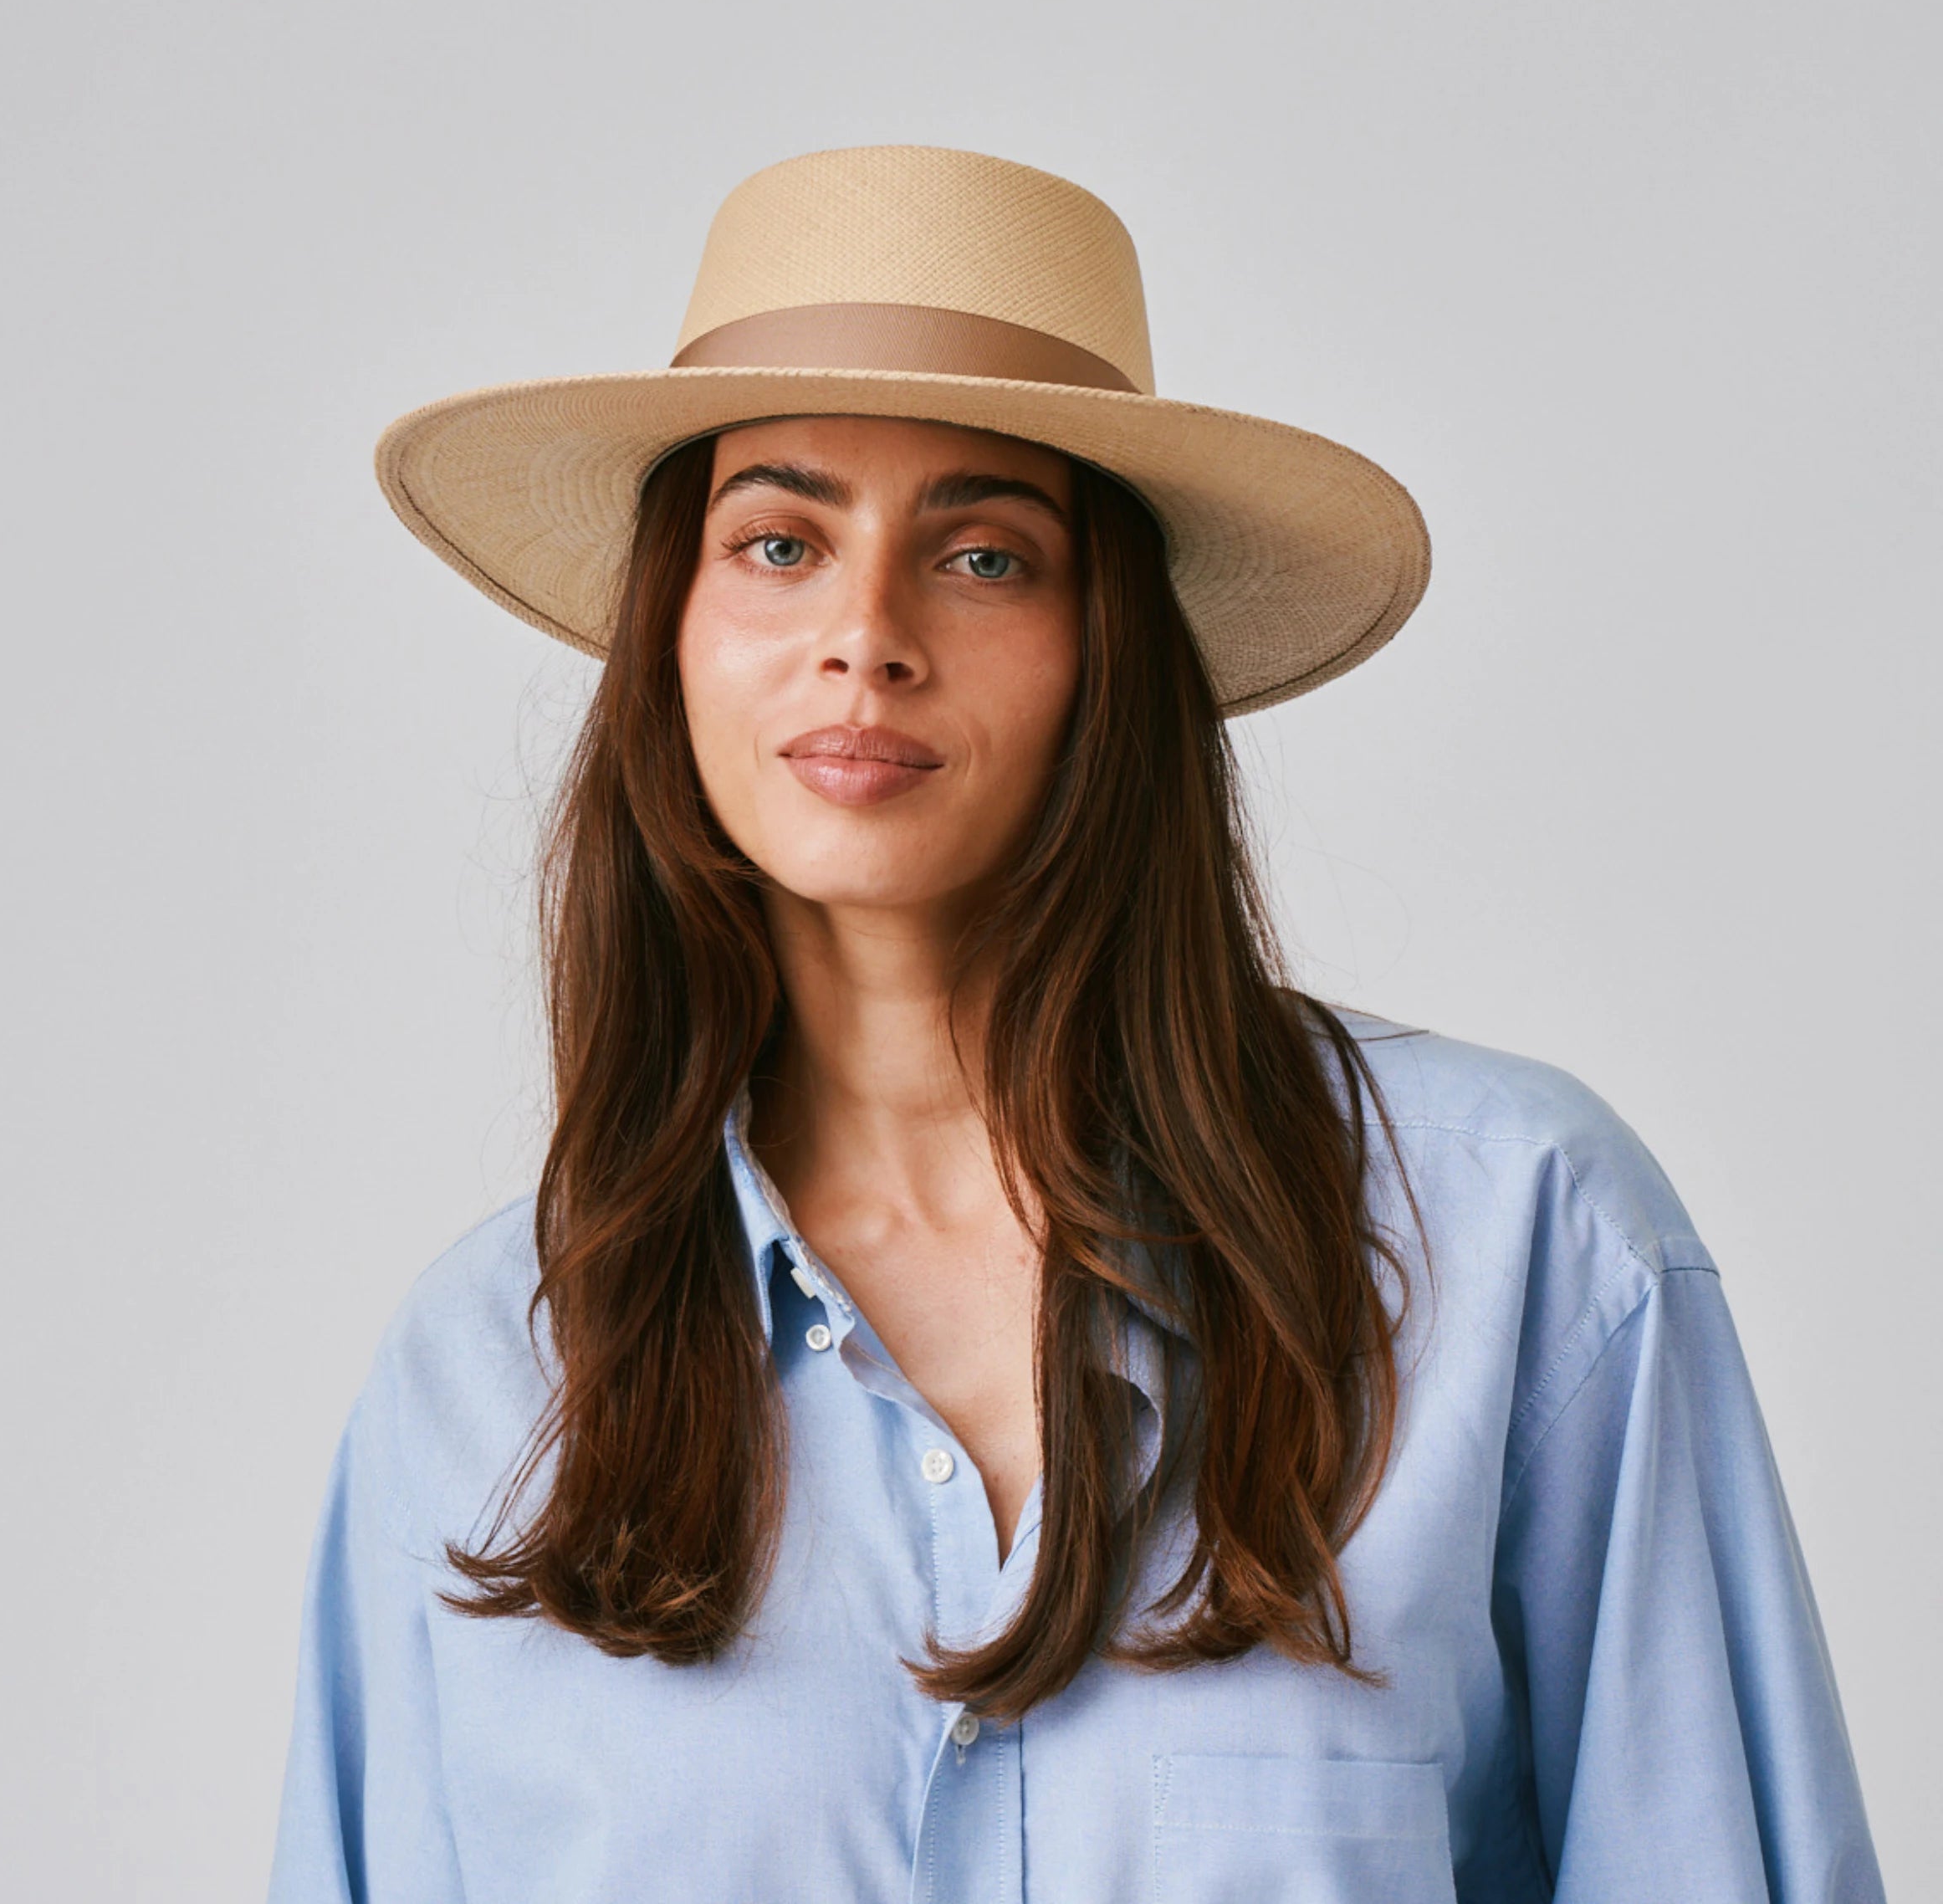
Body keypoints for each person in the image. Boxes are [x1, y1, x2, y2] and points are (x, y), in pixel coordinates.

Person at [268, 146, 1883, 1901]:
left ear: (1113, 643)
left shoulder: (1520, 1245)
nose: (865, 639)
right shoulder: (490, 1378)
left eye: (983, 555)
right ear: (672, 625)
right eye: (780, 541)